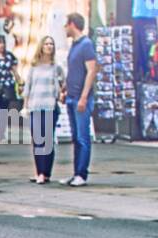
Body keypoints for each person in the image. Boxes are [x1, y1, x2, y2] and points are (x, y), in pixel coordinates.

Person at [23, 34, 64, 183]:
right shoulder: (34, 66)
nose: (49, 46)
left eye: (51, 44)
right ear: (41, 46)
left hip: (49, 106)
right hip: (35, 106)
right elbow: (28, 86)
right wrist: (25, 105)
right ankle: (39, 171)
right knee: (37, 140)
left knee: (47, 140)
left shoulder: (56, 67)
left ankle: (46, 172)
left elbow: (62, 84)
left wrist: (60, 92)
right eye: (46, 44)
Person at [63, 12, 96, 186]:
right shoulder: (75, 45)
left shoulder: (86, 44)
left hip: (81, 98)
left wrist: (84, 97)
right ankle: (76, 172)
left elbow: (91, 71)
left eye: (66, 25)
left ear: (72, 24)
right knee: (76, 137)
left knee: (83, 137)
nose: (64, 28)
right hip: (71, 96)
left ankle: (82, 173)